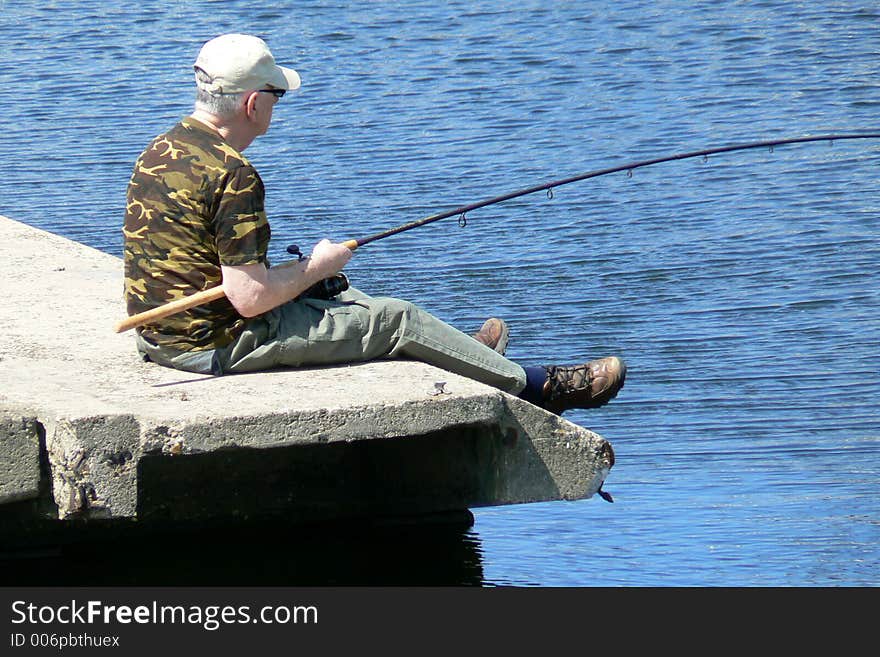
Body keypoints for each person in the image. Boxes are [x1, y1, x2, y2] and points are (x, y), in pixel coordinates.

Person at [123, 33, 626, 415]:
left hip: (160, 332)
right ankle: (540, 387)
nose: (276, 105)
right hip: (212, 345)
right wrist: (315, 267)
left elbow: (218, 271)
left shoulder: (161, 148)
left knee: (345, 300)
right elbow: (250, 299)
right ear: (254, 104)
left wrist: (312, 279)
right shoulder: (233, 174)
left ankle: (466, 355)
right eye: (276, 95)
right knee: (394, 319)